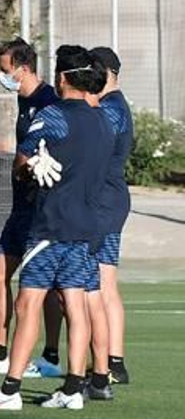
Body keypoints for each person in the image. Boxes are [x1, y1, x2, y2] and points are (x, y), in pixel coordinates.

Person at [0, 47, 114, 412]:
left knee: (27, 301)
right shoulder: (103, 119)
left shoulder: (52, 115)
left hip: (51, 224)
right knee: (75, 304)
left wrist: (30, 167)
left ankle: (10, 388)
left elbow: (22, 162)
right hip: (87, 225)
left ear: (62, 77)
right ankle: (74, 388)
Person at [0, 38, 63, 378]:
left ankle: (51, 356)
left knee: (46, 285)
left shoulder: (49, 101)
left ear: (23, 68)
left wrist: (23, 165)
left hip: (40, 208)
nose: (2, 76)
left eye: (5, 70)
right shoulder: (23, 98)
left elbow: (34, 155)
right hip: (21, 206)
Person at [88, 46, 132, 388]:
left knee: (101, 284)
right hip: (107, 200)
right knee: (106, 284)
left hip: (105, 202)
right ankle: (113, 361)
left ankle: (109, 363)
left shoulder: (111, 108)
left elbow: (95, 144)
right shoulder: (109, 106)